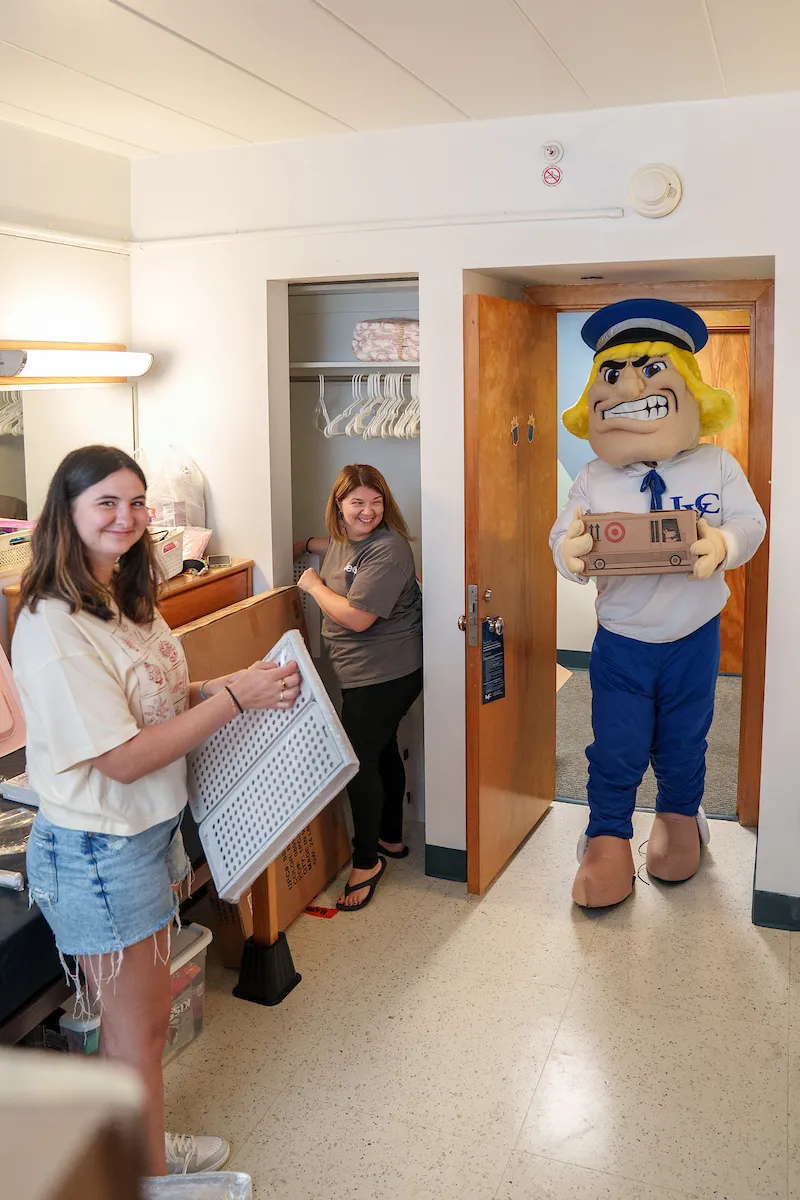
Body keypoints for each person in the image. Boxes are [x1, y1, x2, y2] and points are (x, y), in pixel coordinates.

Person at [12, 445, 300, 1177]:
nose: (127, 517)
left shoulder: (117, 598)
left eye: (137, 502)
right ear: (65, 514)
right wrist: (237, 701)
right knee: (135, 1034)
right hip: (100, 850)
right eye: (106, 502)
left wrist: (220, 685)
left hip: (144, 834)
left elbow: (154, 697)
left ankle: (139, 1154)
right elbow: (122, 756)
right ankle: (144, 1176)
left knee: (136, 1029)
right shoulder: (52, 624)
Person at [550, 299, 766, 908]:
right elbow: (561, 537)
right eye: (613, 376)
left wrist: (723, 542)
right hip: (621, 640)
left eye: (650, 370)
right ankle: (608, 839)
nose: (630, 389)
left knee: (683, 741)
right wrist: (568, 550)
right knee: (615, 746)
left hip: (694, 636)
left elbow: (752, 523)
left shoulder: (716, 464)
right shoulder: (594, 474)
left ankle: (677, 820)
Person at [295, 464, 422, 912]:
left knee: (358, 759)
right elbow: (337, 549)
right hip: (362, 671)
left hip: (386, 673)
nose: (368, 512)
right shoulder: (348, 541)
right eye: (357, 503)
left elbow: (356, 616)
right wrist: (304, 546)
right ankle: (390, 837)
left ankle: (366, 861)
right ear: (340, 506)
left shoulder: (389, 549)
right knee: (381, 747)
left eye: (376, 502)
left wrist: (310, 585)